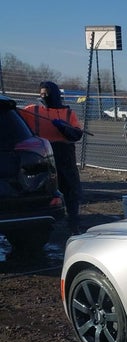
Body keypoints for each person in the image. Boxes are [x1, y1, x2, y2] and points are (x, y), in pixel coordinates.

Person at [20, 81, 84, 233]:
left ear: (55, 94)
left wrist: (64, 127)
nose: (44, 97)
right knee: (41, 189)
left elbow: (77, 134)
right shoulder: (32, 110)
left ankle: (73, 223)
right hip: (41, 155)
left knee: (70, 189)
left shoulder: (68, 113)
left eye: (47, 94)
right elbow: (15, 117)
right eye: (41, 94)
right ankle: (40, 223)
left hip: (64, 155)